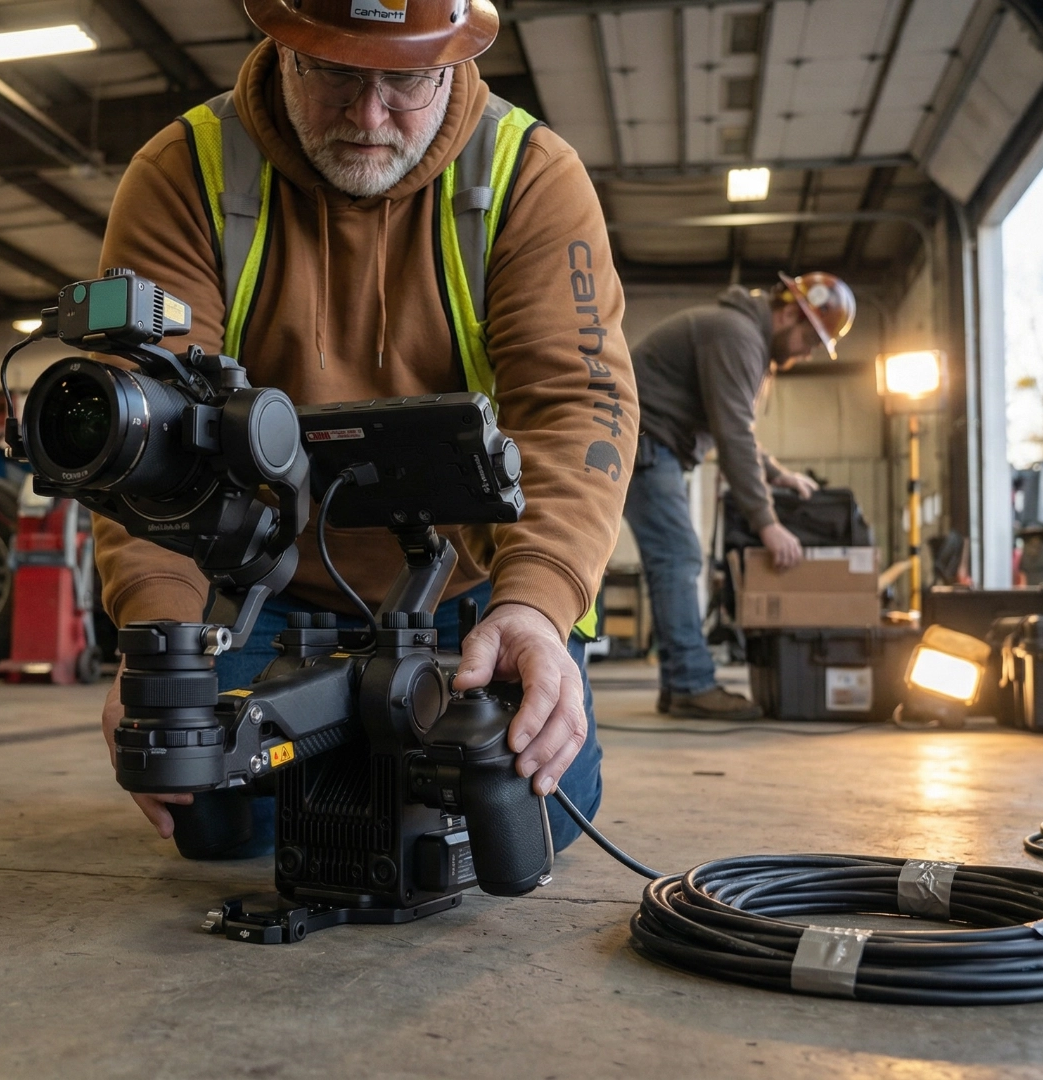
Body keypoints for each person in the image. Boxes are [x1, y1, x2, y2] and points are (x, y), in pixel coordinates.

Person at [90, 0, 637, 858]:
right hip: (263, 595)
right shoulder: (184, 173)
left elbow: (576, 405)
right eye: (338, 72)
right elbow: (144, 430)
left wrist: (538, 605)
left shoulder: (530, 174)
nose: (370, 114)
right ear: (282, 43)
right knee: (221, 818)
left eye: (407, 78)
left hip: (465, 597)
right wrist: (161, 643)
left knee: (537, 810)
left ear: (454, 60)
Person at [624, 272, 855, 720]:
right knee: (678, 558)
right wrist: (767, 523)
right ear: (789, 313)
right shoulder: (736, 335)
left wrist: (776, 473)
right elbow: (732, 433)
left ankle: (680, 686)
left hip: (653, 444)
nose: (808, 352)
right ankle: (691, 685)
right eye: (810, 338)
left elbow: (732, 428)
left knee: (675, 558)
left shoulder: (740, 336)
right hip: (645, 443)